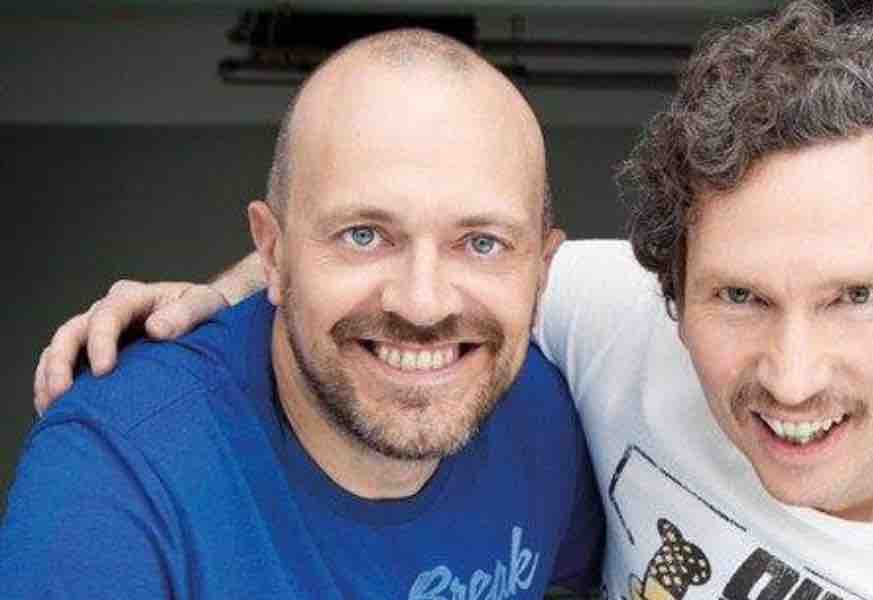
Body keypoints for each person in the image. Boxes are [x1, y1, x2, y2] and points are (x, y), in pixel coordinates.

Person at [27, 2, 873, 598]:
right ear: (670, 293)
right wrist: (232, 295)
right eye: (737, 296)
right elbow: (433, 286)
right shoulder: (604, 321)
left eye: (853, 297)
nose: (790, 375)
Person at [3, 28, 603, 598]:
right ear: (272, 251)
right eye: (364, 235)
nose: (422, 305)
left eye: (482, 243)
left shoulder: (543, 419)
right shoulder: (116, 475)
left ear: (542, 267)